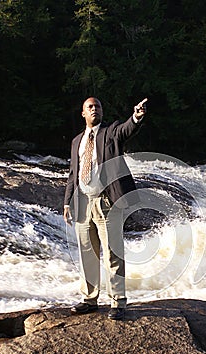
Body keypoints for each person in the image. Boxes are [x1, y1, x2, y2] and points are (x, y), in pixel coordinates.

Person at [63, 97, 147, 320]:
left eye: (98, 106)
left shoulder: (110, 132)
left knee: (113, 253)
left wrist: (136, 116)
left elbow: (127, 130)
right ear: (83, 113)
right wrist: (66, 202)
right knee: (87, 253)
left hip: (107, 202)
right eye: (90, 107)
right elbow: (73, 174)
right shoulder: (76, 141)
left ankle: (117, 301)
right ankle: (90, 300)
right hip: (82, 202)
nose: (94, 109)